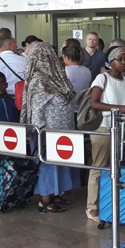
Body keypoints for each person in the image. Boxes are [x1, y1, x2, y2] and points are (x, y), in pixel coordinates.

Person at [20, 42, 80, 214]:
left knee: (59, 164)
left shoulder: (56, 74)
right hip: (46, 133)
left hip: (61, 132)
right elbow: (37, 110)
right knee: (47, 165)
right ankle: (45, 200)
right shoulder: (39, 79)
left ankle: (55, 194)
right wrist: (38, 135)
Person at [86, 48, 125, 221]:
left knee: (114, 167)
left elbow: (124, 102)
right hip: (103, 127)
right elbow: (94, 103)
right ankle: (92, 206)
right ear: (110, 61)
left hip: (119, 129)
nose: (123, 63)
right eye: (119, 59)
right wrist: (118, 108)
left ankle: (110, 202)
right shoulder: (102, 78)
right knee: (98, 166)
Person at [62, 44, 91, 118]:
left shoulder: (66, 71)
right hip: (82, 108)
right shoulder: (87, 71)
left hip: (69, 109)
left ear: (67, 58)